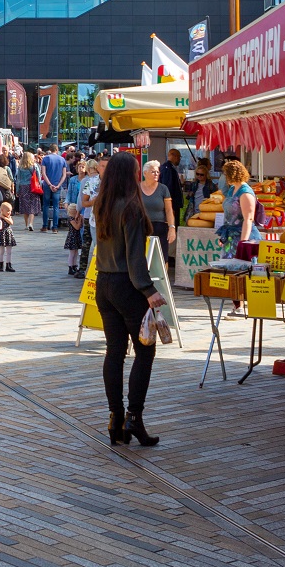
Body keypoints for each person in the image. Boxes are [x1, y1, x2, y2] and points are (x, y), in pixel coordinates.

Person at [93, 152, 164, 448]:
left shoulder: (102, 204)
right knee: (145, 350)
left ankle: (115, 418)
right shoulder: (131, 207)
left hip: (104, 283)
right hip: (127, 284)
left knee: (115, 352)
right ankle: (134, 416)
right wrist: (149, 291)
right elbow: (135, 259)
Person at [140, 159, 177, 275]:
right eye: (153, 172)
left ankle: (163, 280)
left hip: (159, 227)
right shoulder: (136, 188)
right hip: (141, 226)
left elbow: (169, 210)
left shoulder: (163, 189)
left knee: (162, 257)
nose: (156, 174)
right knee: (141, 255)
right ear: (145, 173)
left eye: (157, 172)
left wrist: (172, 228)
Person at [214, 159, 260, 252]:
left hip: (245, 237)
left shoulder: (245, 192)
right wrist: (224, 236)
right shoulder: (232, 189)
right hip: (231, 238)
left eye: (226, 175)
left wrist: (243, 243)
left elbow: (248, 219)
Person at [40, 144, 68, 232]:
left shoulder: (45, 159)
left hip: (47, 185)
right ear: (57, 150)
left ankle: (45, 226)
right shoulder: (62, 159)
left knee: (46, 205)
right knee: (56, 206)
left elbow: (43, 173)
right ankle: (55, 227)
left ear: (50, 149)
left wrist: (49, 184)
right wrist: (58, 185)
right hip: (57, 185)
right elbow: (64, 175)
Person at [15, 150, 41, 231]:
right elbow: (39, 177)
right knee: (32, 205)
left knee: (25, 206)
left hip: (23, 187)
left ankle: (26, 224)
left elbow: (18, 180)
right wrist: (39, 185)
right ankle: (31, 223)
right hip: (32, 187)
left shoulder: (20, 167)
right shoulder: (34, 166)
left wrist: (17, 190)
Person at [159, 148, 186, 224]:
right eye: (179, 157)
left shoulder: (167, 168)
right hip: (172, 204)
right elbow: (168, 188)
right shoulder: (169, 169)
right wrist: (170, 207)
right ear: (174, 156)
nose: (179, 159)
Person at [63, 203, 91, 276]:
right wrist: (79, 220)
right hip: (72, 237)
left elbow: (82, 225)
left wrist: (81, 218)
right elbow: (77, 227)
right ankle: (70, 267)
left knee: (75, 253)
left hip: (76, 236)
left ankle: (74, 265)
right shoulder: (71, 219)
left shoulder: (75, 218)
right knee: (72, 253)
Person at [0, 200, 17, 272]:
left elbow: (11, 222)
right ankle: (1, 265)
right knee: (1, 251)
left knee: (9, 251)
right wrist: (0, 217)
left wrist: (4, 217)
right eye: (8, 211)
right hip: (1, 235)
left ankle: (8, 264)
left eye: (10, 211)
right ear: (2, 210)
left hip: (8, 235)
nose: (9, 212)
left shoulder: (9, 217)